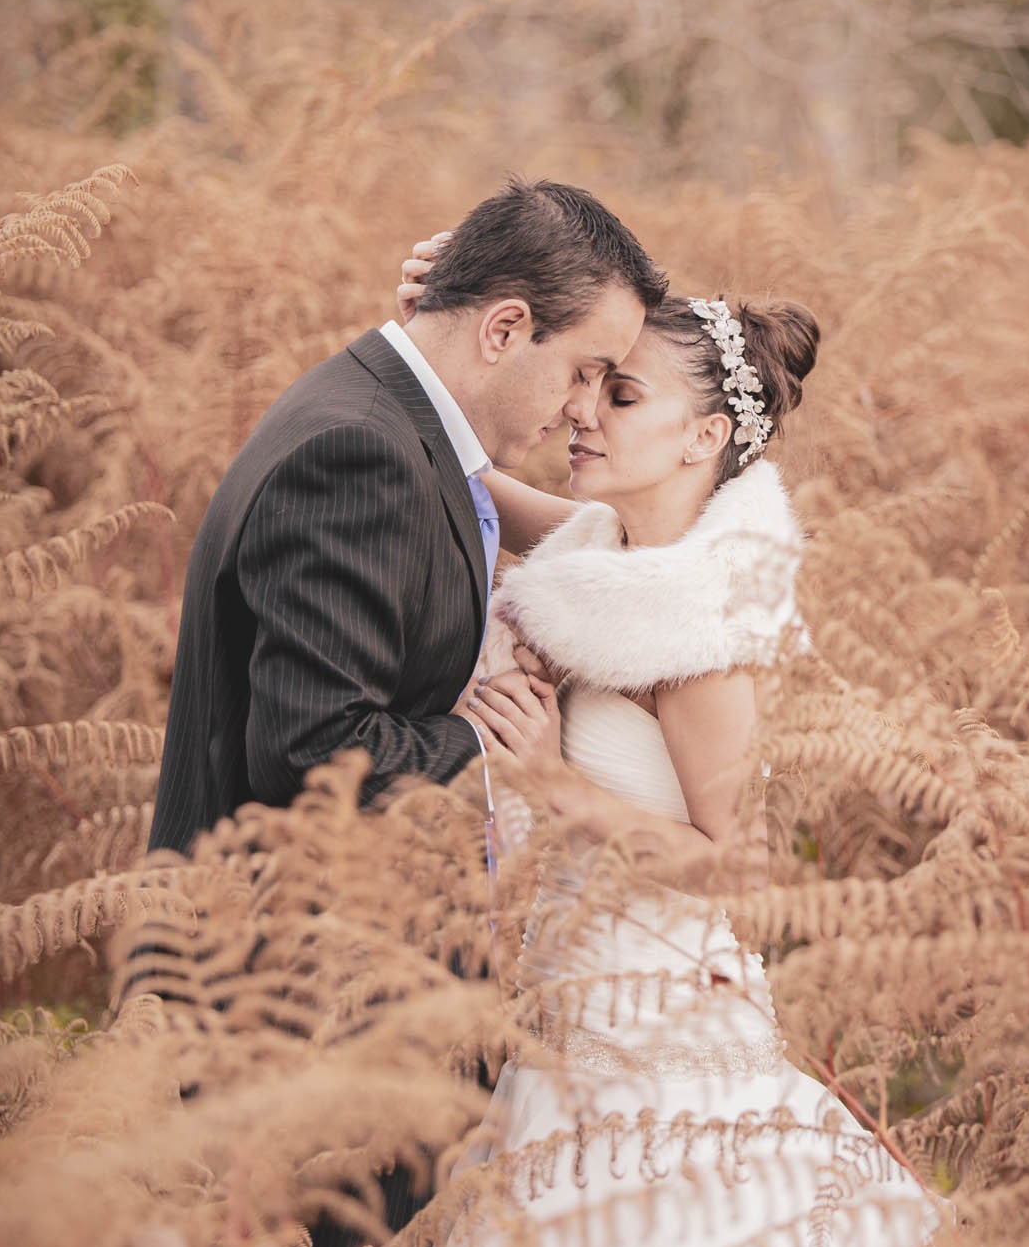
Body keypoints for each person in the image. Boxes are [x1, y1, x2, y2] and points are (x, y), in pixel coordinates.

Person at [395, 241, 1029, 1247]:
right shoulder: (605, 554)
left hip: (661, 1037)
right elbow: (480, 478)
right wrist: (427, 321)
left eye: (620, 397)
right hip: (567, 1018)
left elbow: (745, 871)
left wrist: (553, 783)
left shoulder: (698, 636)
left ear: (705, 435)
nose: (582, 413)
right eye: (586, 383)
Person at [110, 171, 662, 1010]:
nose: (585, 410)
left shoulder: (399, 427)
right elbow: (313, 749)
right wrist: (497, 752)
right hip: (283, 1009)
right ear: (506, 328)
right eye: (585, 373)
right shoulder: (359, 456)